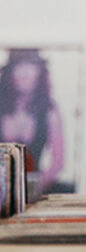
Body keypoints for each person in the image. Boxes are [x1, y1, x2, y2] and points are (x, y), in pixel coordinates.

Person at [0, 48, 66, 195]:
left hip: (35, 191)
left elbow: (57, 163)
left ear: (39, 71)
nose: (24, 74)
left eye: (30, 66)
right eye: (19, 66)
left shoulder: (49, 112)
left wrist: (34, 188)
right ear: (10, 73)